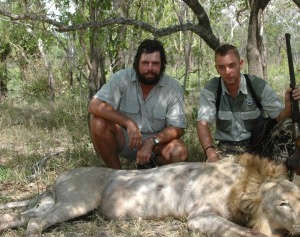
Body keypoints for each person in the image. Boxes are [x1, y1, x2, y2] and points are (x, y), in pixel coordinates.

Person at [88, 39, 188, 169]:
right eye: (145, 63)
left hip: (158, 144)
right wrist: (128, 123)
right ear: (136, 64)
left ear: (162, 65)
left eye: (155, 64)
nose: (150, 69)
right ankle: (117, 175)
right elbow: (94, 105)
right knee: (98, 121)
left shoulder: (172, 88)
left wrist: (152, 141)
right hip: (126, 139)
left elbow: (178, 128)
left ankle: (152, 172)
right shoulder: (122, 78)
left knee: (179, 152)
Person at [197, 43, 300, 164]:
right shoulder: (211, 89)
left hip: (258, 143)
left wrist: (288, 105)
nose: (227, 71)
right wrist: (210, 152)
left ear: (240, 64)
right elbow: (203, 124)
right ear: (216, 68)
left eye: (232, 65)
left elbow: (280, 117)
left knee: (288, 125)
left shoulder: (257, 85)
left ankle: (282, 171)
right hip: (227, 148)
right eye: (222, 67)